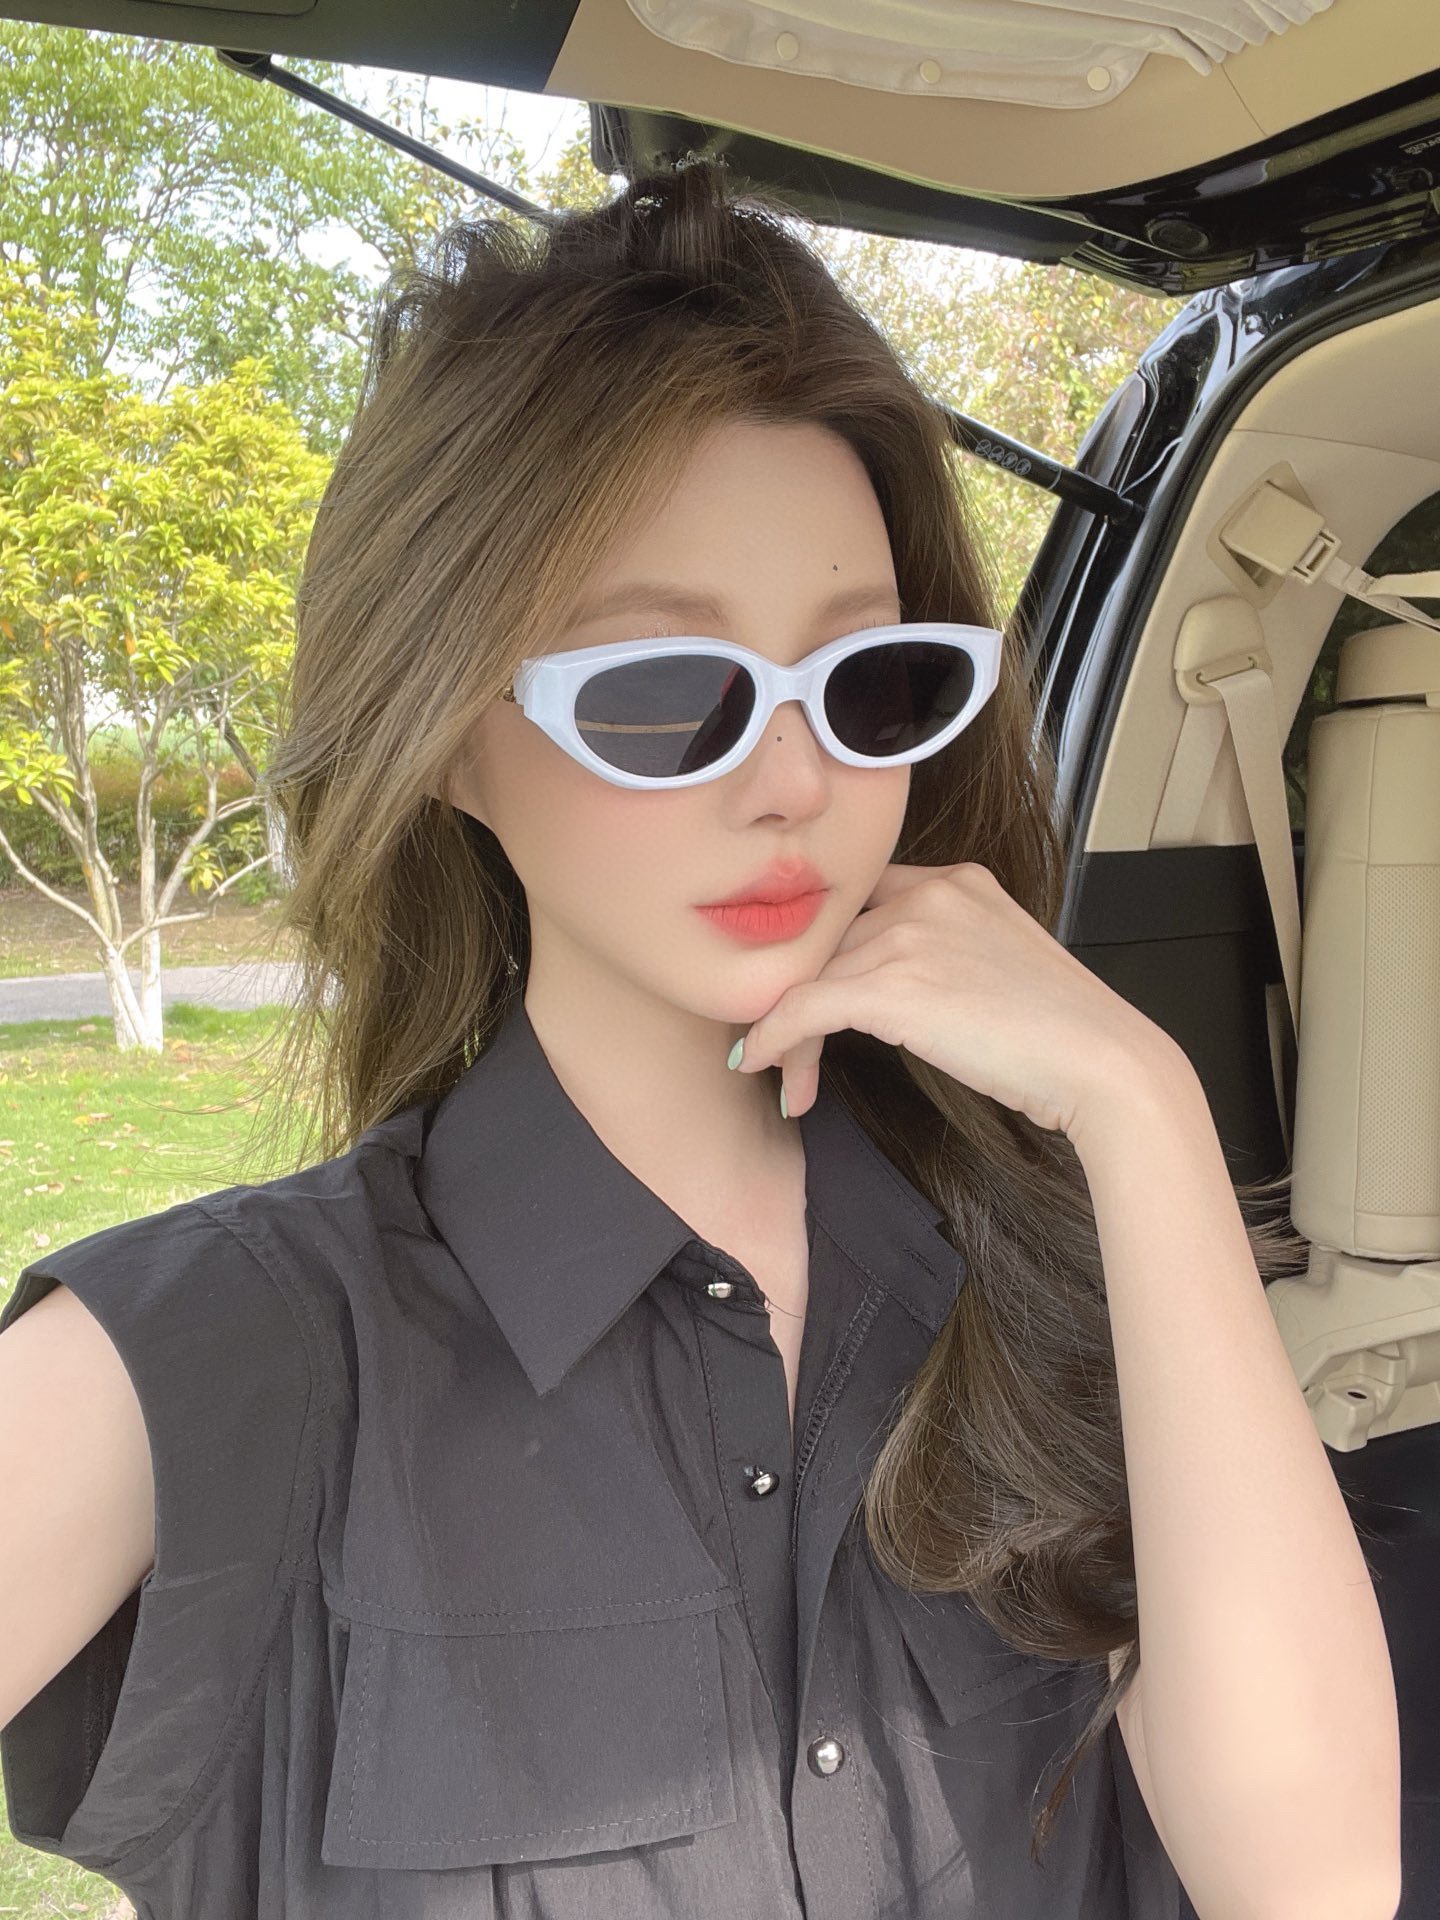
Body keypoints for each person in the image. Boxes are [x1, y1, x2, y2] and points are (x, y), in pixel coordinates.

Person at [0, 157, 1314, 1919]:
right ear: (445, 737)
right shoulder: (221, 1358)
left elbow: (1313, 1873)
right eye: (661, 693)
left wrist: (1141, 1105)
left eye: (872, 683)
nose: (794, 780)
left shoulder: (1060, 1260)